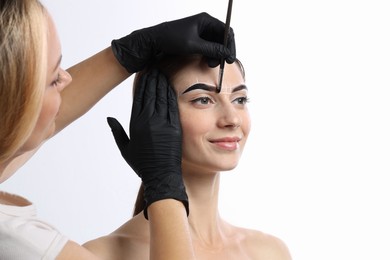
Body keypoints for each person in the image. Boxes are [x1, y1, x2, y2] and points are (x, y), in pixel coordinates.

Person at [0, 0, 236, 259]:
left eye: (241, 99)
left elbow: (31, 117)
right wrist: (163, 185)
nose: (68, 79)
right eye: (55, 78)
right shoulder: (19, 243)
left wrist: (126, 52)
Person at [85, 55, 293, 259]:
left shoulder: (270, 252)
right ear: (154, 117)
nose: (232, 119)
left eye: (240, 99)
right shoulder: (101, 255)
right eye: (203, 100)